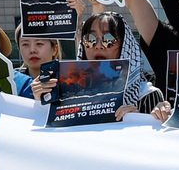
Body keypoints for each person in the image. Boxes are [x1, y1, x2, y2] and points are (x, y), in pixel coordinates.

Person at [33, 12, 167, 121]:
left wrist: (137, 120)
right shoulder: (62, 90)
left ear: (125, 45)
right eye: (89, 39)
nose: (98, 45)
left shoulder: (146, 95)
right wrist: (40, 101)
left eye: (108, 39)